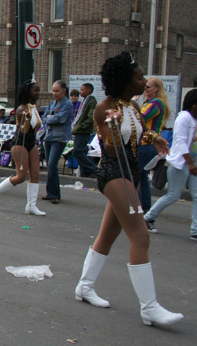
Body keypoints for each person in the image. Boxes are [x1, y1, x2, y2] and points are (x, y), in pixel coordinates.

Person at [74, 51, 182, 327]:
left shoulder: (132, 106)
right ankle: (149, 308)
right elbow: (111, 147)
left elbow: (140, 131)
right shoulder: (104, 108)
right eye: (139, 77)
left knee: (107, 236)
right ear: (124, 80)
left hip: (131, 173)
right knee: (141, 236)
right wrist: (110, 125)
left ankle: (84, 287)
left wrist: (156, 137)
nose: (144, 81)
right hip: (113, 174)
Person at [143, 89, 197, 238]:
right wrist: (190, 163)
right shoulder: (184, 118)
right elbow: (180, 142)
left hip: (193, 162)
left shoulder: (194, 119)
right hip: (182, 163)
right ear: (194, 105)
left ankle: (195, 230)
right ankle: (148, 218)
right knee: (173, 195)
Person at [0, 80, 46, 215]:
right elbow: (23, 130)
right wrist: (25, 119)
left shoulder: (34, 107)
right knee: (21, 176)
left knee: (35, 174)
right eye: (35, 90)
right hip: (20, 143)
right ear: (28, 92)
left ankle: (31, 206)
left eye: (39, 90)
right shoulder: (21, 109)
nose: (38, 93)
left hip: (31, 143)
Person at [138, 77, 170, 215]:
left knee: (135, 175)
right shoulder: (148, 102)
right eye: (145, 86)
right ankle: (145, 208)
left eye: (148, 87)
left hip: (147, 143)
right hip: (144, 142)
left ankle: (140, 208)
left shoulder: (157, 103)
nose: (145, 89)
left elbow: (141, 117)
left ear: (157, 89)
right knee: (141, 176)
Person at [41, 80, 73, 203]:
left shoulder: (67, 104)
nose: (54, 93)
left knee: (53, 164)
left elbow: (60, 118)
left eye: (57, 91)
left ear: (64, 91)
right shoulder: (52, 103)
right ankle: (50, 192)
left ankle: (54, 194)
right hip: (49, 137)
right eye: (53, 91)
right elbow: (44, 118)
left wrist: (50, 118)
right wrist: (49, 118)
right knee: (49, 165)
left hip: (59, 138)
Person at [71, 83, 100, 179]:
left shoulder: (91, 101)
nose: (80, 91)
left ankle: (94, 169)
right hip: (79, 130)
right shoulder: (84, 101)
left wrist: (81, 126)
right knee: (82, 151)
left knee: (77, 151)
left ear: (89, 90)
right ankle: (85, 171)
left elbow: (91, 117)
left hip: (83, 131)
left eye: (82, 89)